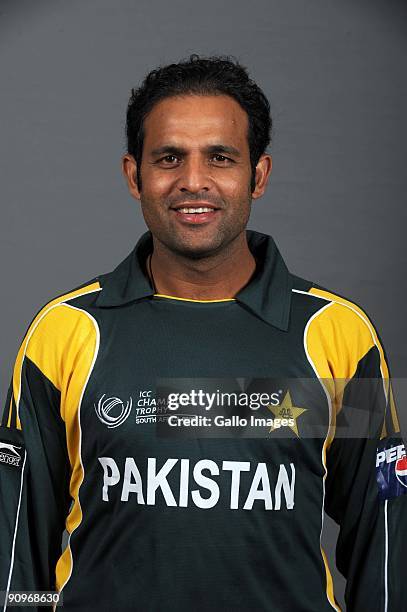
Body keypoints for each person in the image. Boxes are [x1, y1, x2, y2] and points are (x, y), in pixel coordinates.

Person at [0, 53, 405, 612]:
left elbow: (387, 541)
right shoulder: (65, 333)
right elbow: (16, 557)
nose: (193, 181)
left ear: (256, 176)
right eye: (169, 158)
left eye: (220, 157)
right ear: (133, 175)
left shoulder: (338, 335)